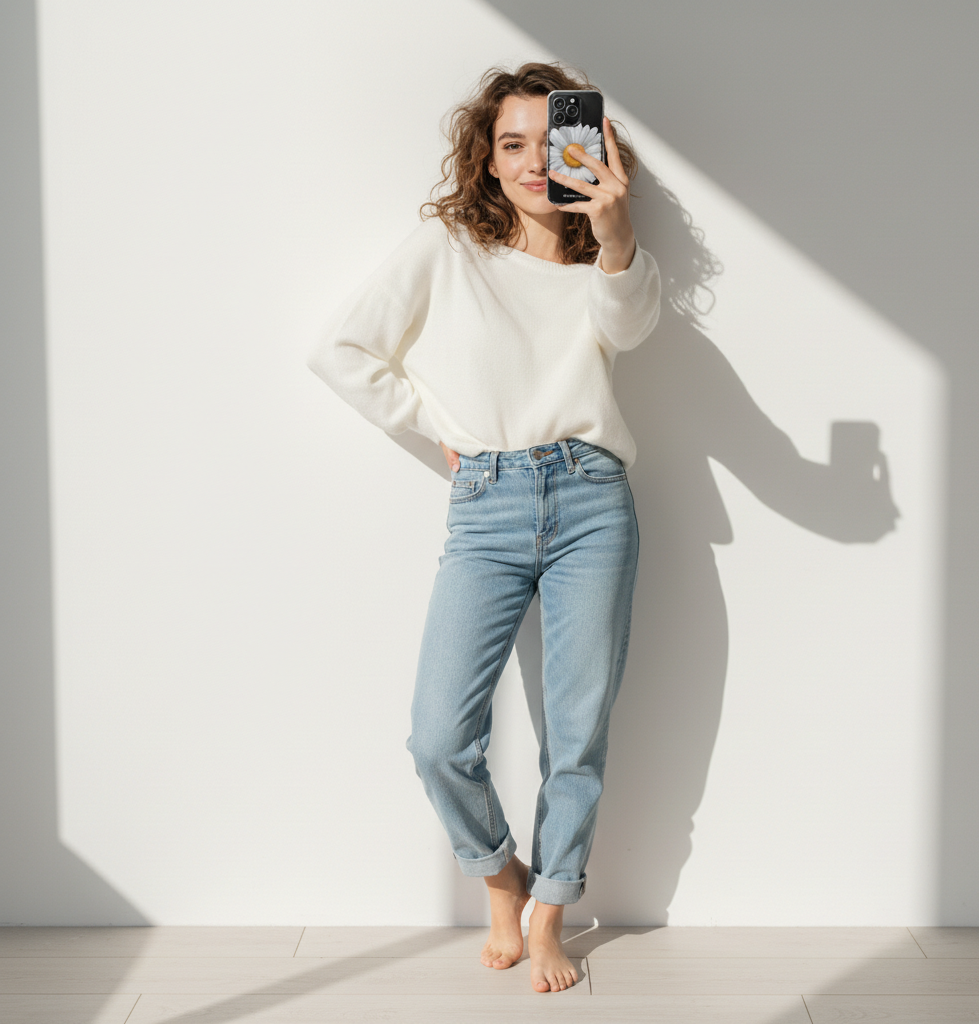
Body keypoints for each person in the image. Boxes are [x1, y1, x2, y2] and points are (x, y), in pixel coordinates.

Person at [307, 61, 661, 993]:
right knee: (438, 738)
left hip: (593, 498)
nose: (536, 162)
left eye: (558, 142)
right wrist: (438, 433)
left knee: (575, 734)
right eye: (514, 145)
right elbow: (339, 349)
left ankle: (549, 913)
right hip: (489, 501)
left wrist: (616, 233)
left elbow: (626, 333)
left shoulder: (607, 264)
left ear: (596, 152)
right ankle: (499, 873)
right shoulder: (447, 248)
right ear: (487, 160)